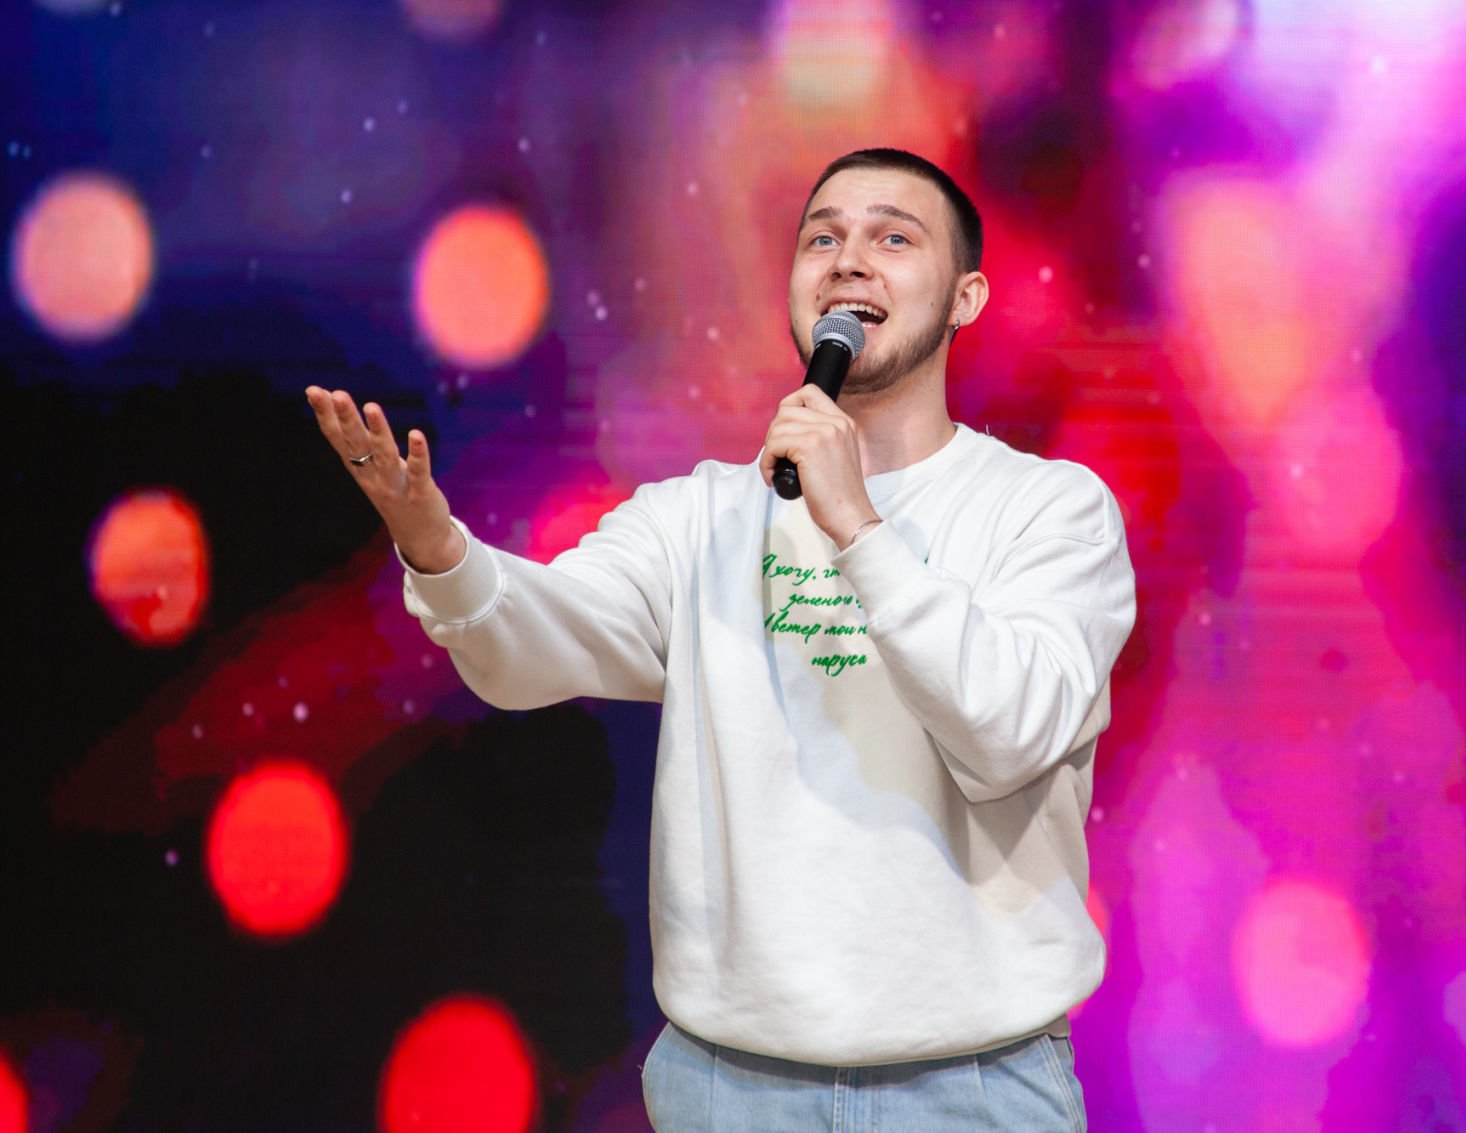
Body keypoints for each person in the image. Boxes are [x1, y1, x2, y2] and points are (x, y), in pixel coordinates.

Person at [306, 148, 1135, 1131]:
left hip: (972, 1087)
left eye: (892, 238)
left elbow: (1006, 733)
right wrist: (439, 548)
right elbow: (529, 646)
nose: (847, 259)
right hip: (728, 1090)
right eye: (821, 239)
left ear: (966, 297)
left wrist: (856, 526)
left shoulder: (1048, 510)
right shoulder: (697, 518)